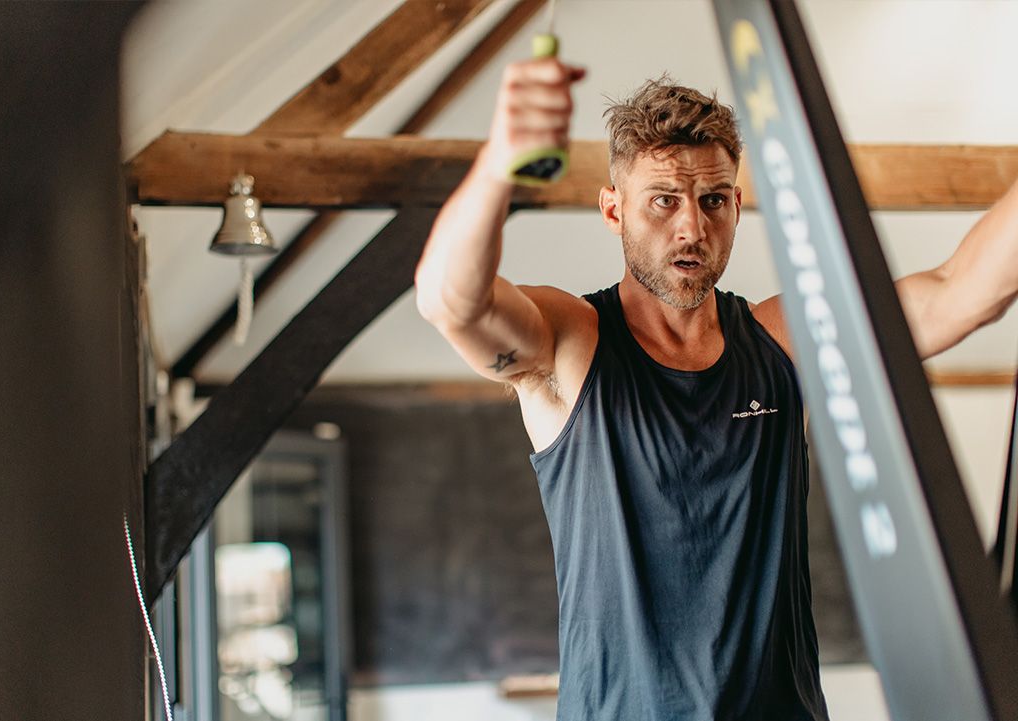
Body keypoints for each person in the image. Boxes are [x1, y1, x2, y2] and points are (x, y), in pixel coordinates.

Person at [414, 55, 1018, 721]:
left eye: (714, 201)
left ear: (735, 204)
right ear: (613, 211)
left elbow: (962, 295)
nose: (692, 227)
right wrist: (502, 159)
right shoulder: (571, 345)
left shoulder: (782, 341)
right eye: (663, 201)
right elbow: (452, 303)